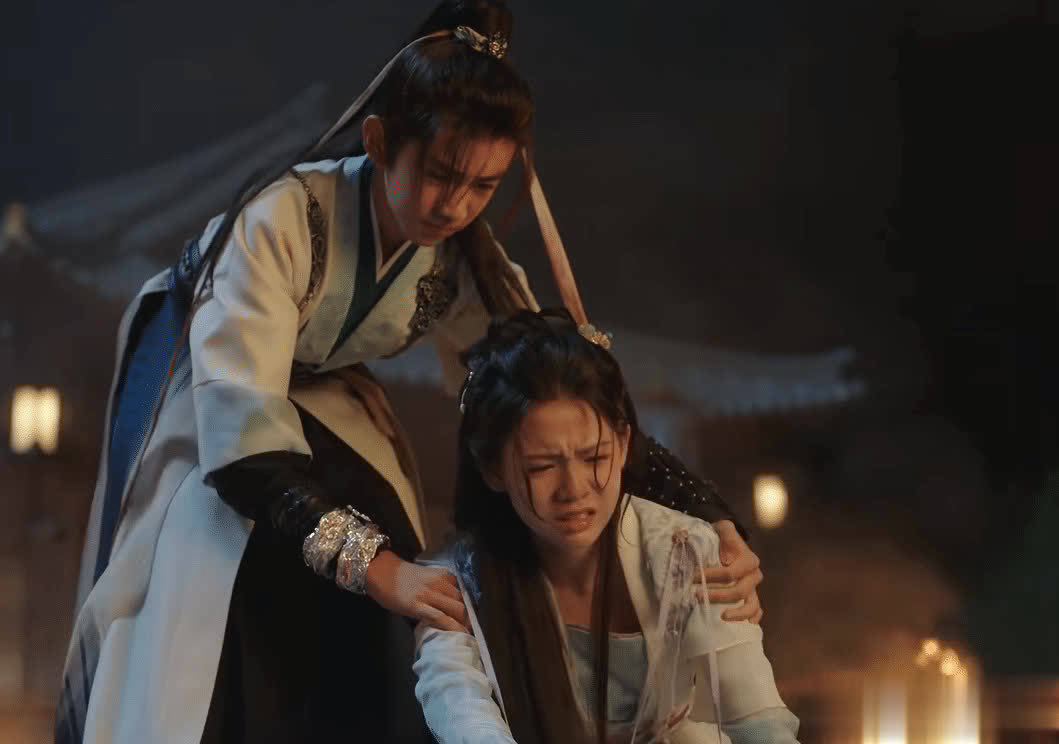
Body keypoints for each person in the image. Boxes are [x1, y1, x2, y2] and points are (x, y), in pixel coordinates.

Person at [56, 2, 762, 743]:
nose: (456, 205)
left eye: (483, 186)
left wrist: (711, 519)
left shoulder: (462, 263)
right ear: (378, 141)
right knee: (214, 559)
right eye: (439, 174)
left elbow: (560, 402)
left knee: (396, 542)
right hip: (205, 391)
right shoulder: (280, 221)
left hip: (321, 391)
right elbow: (245, 447)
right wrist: (383, 573)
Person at [414, 308, 799, 744]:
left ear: (624, 444)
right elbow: (461, 711)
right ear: (492, 470)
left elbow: (758, 719)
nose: (574, 489)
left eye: (594, 457)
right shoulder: (453, 583)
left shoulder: (686, 549)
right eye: (542, 467)